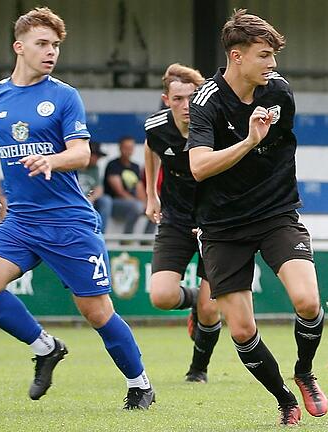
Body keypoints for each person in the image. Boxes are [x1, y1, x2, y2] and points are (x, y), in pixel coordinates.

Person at [0, 7, 155, 409]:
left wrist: (53, 159)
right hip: (20, 221)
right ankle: (46, 347)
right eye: (42, 44)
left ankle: (140, 384)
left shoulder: (64, 96)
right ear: (19, 47)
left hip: (68, 222)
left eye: (56, 46)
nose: (51, 52)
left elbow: (82, 152)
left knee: (97, 312)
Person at [187, 9, 328, 426]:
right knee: (242, 330)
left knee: (307, 300)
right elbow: (198, 167)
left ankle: (304, 371)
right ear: (237, 56)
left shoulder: (279, 93)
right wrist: (249, 141)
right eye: (265, 55)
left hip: (275, 214)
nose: (273, 64)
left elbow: (284, 150)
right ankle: (285, 399)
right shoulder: (206, 102)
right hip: (223, 226)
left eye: (273, 56)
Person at [143, 63, 221, 383]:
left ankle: (198, 370)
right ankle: (191, 299)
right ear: (166, 99)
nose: (185, 105)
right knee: (161, 296)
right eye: (177, 99)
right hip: (175, 220)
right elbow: (151, 150)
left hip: (217, 224)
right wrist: (151, 194)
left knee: (211, 310)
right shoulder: (156, 127)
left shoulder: (216, 126)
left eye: (192, 97)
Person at [104, 136, 153, 234]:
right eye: (125, 148)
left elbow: (139, 188)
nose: (128, 151)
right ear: (120, 148)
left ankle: (146, 240)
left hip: (132, 203)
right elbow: (120, 191)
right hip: (115, 203)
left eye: (130, 148)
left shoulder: (135, 166)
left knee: (154, 209)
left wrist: (147, 204)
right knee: (137, 206)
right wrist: (139, 203)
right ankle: (127, 239)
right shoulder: (113, 165)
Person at [77, 141, 112, 233]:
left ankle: (100, 233)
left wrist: (90, 197)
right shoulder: (73, 166)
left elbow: (98, 189)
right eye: (96, 155)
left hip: (90, 199)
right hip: (75, 199)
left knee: (106, 200)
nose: (98, 159)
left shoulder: (95, 168)